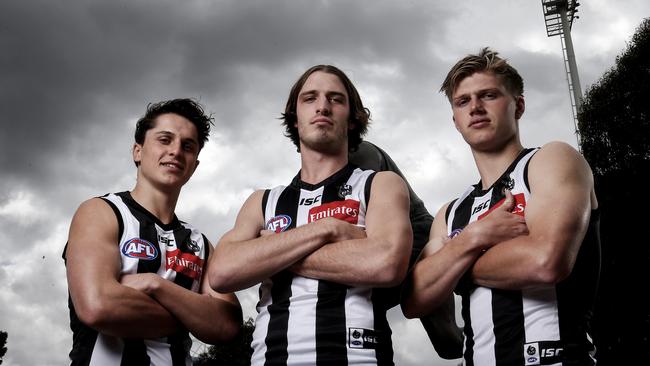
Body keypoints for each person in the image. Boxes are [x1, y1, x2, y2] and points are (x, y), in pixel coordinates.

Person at [401, 48, 601, 365]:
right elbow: (414, 300)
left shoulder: (551, 160)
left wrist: (453, 267)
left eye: (489, 95)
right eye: (463, 101)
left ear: (518, 105)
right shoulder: (451, 213)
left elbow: (545, 261)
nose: (476, 108)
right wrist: (474, 237)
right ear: (455, 120)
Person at [209, 65, 413, 365]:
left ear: (353, 119)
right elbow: (222, 272)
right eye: (310, 98)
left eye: (336, 99)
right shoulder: (263, 201)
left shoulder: (378, 184)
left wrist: (271, 253)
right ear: (294, 117)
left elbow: (386, 264)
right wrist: (328, 229)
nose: (322, 106)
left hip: (359, 357)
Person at [64, 99, 242, 365]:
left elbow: (227, 325)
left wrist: (155, 285)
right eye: (164, 139)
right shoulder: (101, 212)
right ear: (138, 151)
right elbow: (97, 306)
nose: (176, 151)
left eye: (188, 146)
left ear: (194, 165)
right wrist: (192, 316)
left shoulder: (200, 243)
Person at [349, 141, 463, 360]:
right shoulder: (305, 177)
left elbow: (360, 219)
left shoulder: (360, 152)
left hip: (416, 235)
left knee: (449, 342)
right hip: (377, 243)